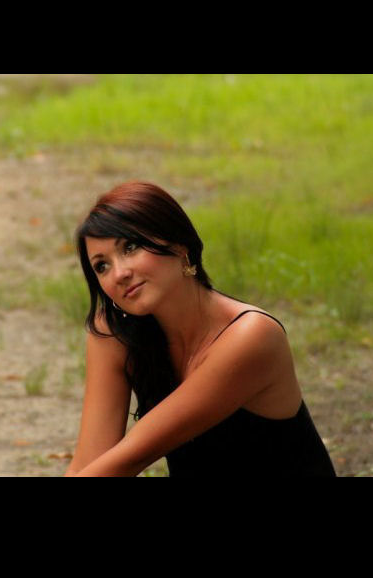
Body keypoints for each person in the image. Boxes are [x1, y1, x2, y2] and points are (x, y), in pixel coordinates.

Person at [64, 181, 336, 477]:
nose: (119, 273)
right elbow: (88, 463)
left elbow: (127, 460)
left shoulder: (251, 336)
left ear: (179, 244)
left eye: (130, 247)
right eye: (101, 266)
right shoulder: (116, 334)